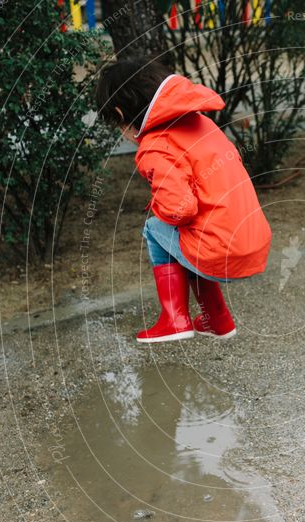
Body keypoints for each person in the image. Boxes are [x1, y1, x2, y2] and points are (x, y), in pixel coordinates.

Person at [95, 59, 272, 343]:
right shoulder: (202, 124)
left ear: (120, 113)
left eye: (117, 124)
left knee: (155, 229)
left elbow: (181, 210)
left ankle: (175, 320)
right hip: (253, 244)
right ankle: (217, 320)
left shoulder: (156, 145)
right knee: (185, 239)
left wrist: (159, 207)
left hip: (221, 253)